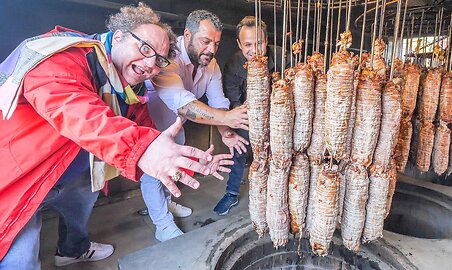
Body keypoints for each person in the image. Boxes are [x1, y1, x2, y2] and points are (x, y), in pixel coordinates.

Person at [0, 3, 230, 269]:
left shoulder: (127, 91)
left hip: (71, 175)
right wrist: (142, 149)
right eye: (145, 49)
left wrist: (185, 164)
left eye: (159, 61)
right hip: (21, 176)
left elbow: (151, 136)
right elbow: (78, 112)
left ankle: (73, 250)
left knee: (82, 200)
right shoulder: (64, 56)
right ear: (119, 36)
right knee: (21, 256)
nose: (149, 65)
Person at [144, 10, 249, 223]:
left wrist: (226, 132)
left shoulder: (211, 64)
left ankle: (167, 204)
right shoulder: (169, 58)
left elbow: (218, 103)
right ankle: (162, 225)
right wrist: (228, 118)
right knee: (153, 174)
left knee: (172, 170)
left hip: (176, 125)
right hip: (150, 126)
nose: (211, 49)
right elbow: (184, 105)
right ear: (188, 35)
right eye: (206, 41)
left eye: (217, 44)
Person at [213, 16, 286, 215]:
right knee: (238, 146)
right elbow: (232, 99)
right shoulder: (234, 64)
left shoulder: (283, 58)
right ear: (239, 44)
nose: (254, 50)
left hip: (279, 115)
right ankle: (232, 193)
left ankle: (277, 194)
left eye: (259, 43)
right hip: (247, 114)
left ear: (267, 41)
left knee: (280, 154)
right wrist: (246, 111)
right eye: (247, 45)